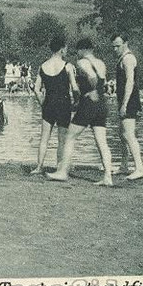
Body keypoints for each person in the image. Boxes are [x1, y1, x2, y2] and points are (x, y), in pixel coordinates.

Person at [47, 38, 114, 186]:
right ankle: (108, 176)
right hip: (102, 105)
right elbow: (102, 81)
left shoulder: (82, 62)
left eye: (77, 51)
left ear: (83, 50)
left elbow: (92, 77)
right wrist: (97, 91)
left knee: (70, 136)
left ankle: (63, 172)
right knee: (101, 141)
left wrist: (93, 91)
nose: (76, 54)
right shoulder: (101, 63)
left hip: (89, 103)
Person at [31, 35, 78, 174]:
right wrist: (76, 101)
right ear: (62, 49)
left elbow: (36, 89)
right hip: (63, 104)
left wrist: (42, 104)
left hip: (48, 104)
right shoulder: (67, 66)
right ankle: (59, 167)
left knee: (44, 138)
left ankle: (39, 167)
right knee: (62, 139)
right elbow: (74, 88)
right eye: (66, 48)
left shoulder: (43, 66)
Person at [112, 34, 143, 180]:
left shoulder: (128, 58)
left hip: (130, 100)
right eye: (113, 46)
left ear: (126, 43)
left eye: (118, 46)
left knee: (128, 134)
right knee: (122, 134)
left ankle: (139, 168)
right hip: (124, 100)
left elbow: (130, 82)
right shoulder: (122, 58)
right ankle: (124, 165)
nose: (115, 49)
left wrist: (125, 104)